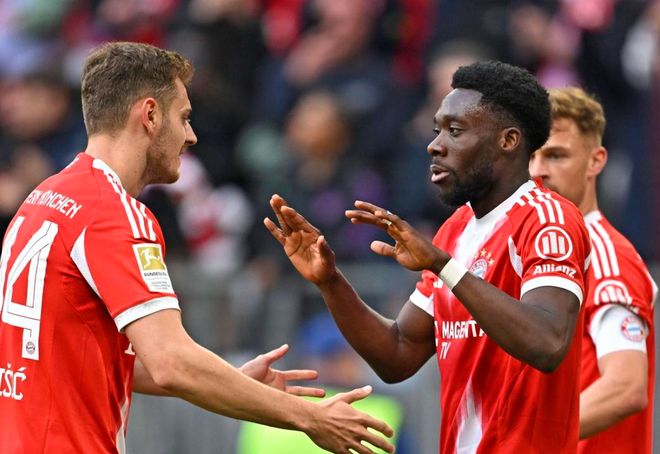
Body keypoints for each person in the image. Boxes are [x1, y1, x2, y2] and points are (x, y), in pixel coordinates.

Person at [0, 41, 395, 454]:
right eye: (184, 117)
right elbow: (171, 361)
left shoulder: (41, 201)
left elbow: (88, 358)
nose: (191, 136)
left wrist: (233, 382)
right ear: (150, 115)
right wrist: (310, 416)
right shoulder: (113, 213)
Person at [266, 60, 592, 453]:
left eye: (455, 131)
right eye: (437, 129)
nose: (435, 145)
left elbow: (548, 342)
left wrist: (443, 266)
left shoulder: (547, 219)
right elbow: (398, 354)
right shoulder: (456, 230)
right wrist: (330, 281)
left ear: (507, 141)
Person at [529, 87, 657, 453]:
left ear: (595, 161)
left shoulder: (605, 256)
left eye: (556, 155)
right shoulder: (541, 252)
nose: (538, 172)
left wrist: (524, 441)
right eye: (531, 156)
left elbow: (625, 386)